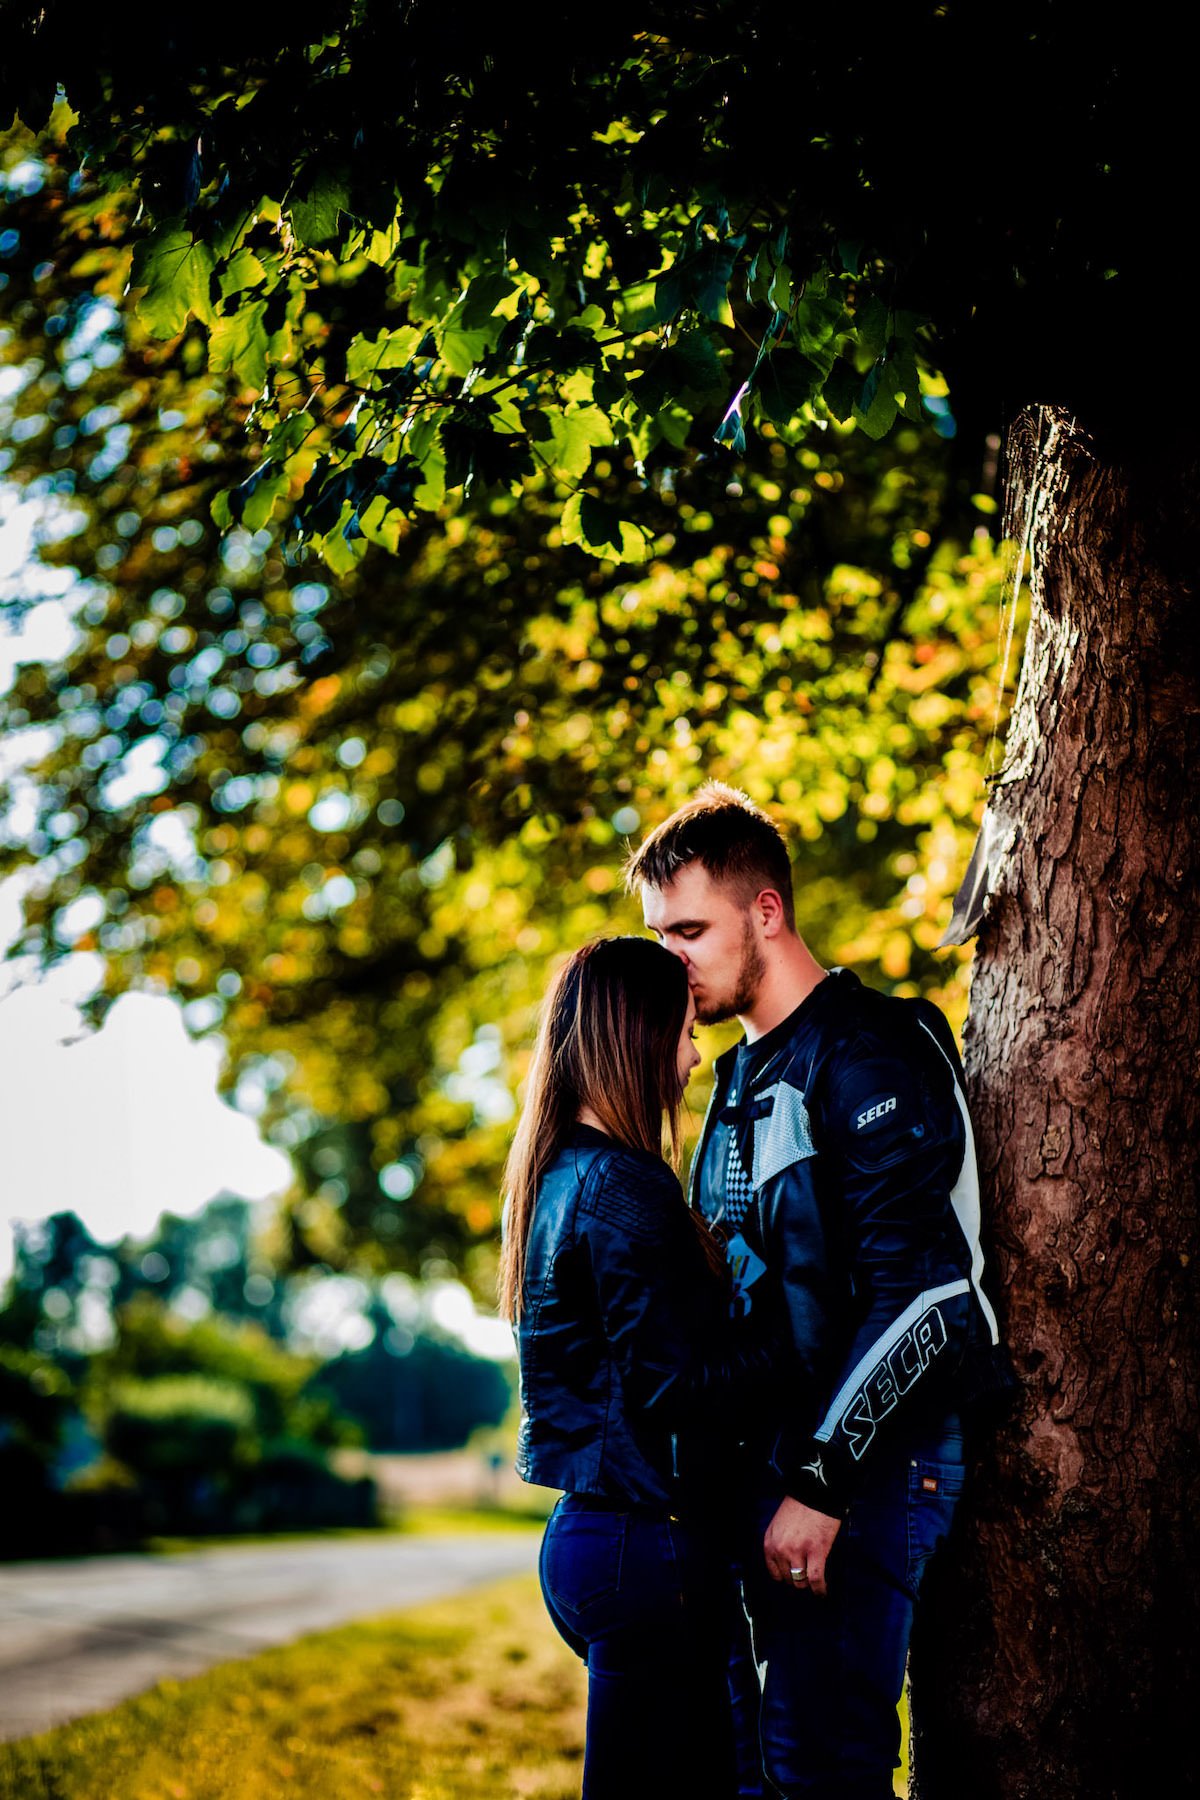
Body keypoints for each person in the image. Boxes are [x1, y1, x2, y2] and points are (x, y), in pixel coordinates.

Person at [625, 784, 1009, 1800]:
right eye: (658, 936)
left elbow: (926, 1298)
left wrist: (823, 1480)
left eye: (690, 931)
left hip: (873, 1472)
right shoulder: (731, 1081)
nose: (673, 961)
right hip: (770, 1477)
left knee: (823, 1770)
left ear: (766, 911)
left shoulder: (872, 1044)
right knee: (760, 1773)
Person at [500, 935, 778, 1800]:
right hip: (642, 1546)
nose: (696, 1053)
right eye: (685, 1028)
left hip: (595, 1540)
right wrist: (798, 1333)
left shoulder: (553, 1177)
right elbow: (673, 1389)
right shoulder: (626, 1184)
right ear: (638, 1035)